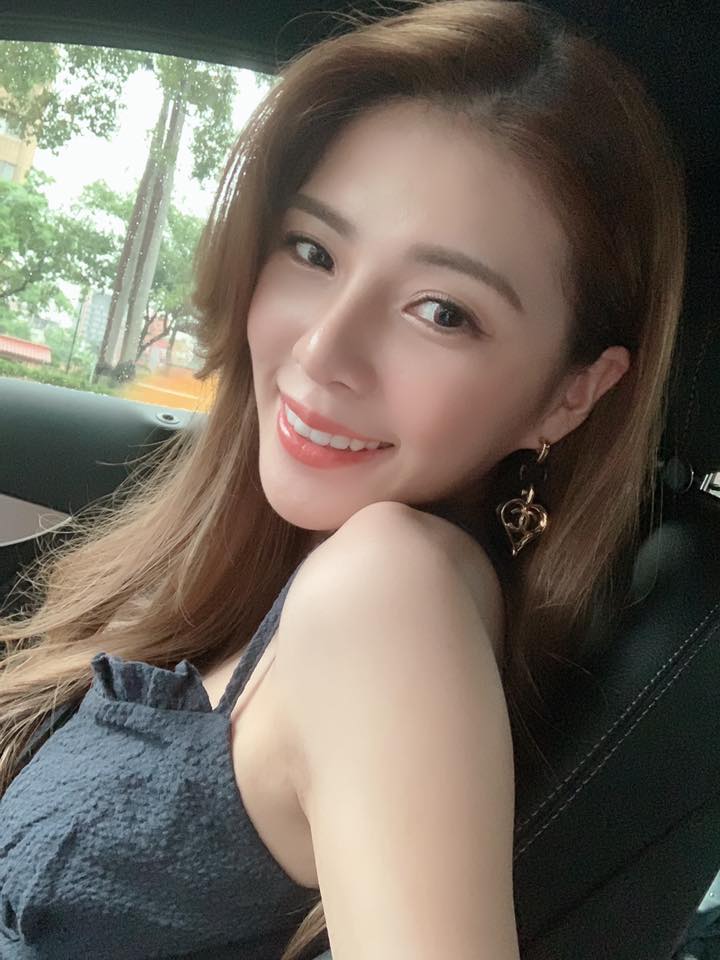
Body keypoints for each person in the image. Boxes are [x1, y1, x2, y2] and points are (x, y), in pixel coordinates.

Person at [0, 0, 687, 958]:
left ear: (570, 395)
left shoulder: (386, 592)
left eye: (443, 311)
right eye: (313, 251)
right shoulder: (298, 569)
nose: (323, 350)